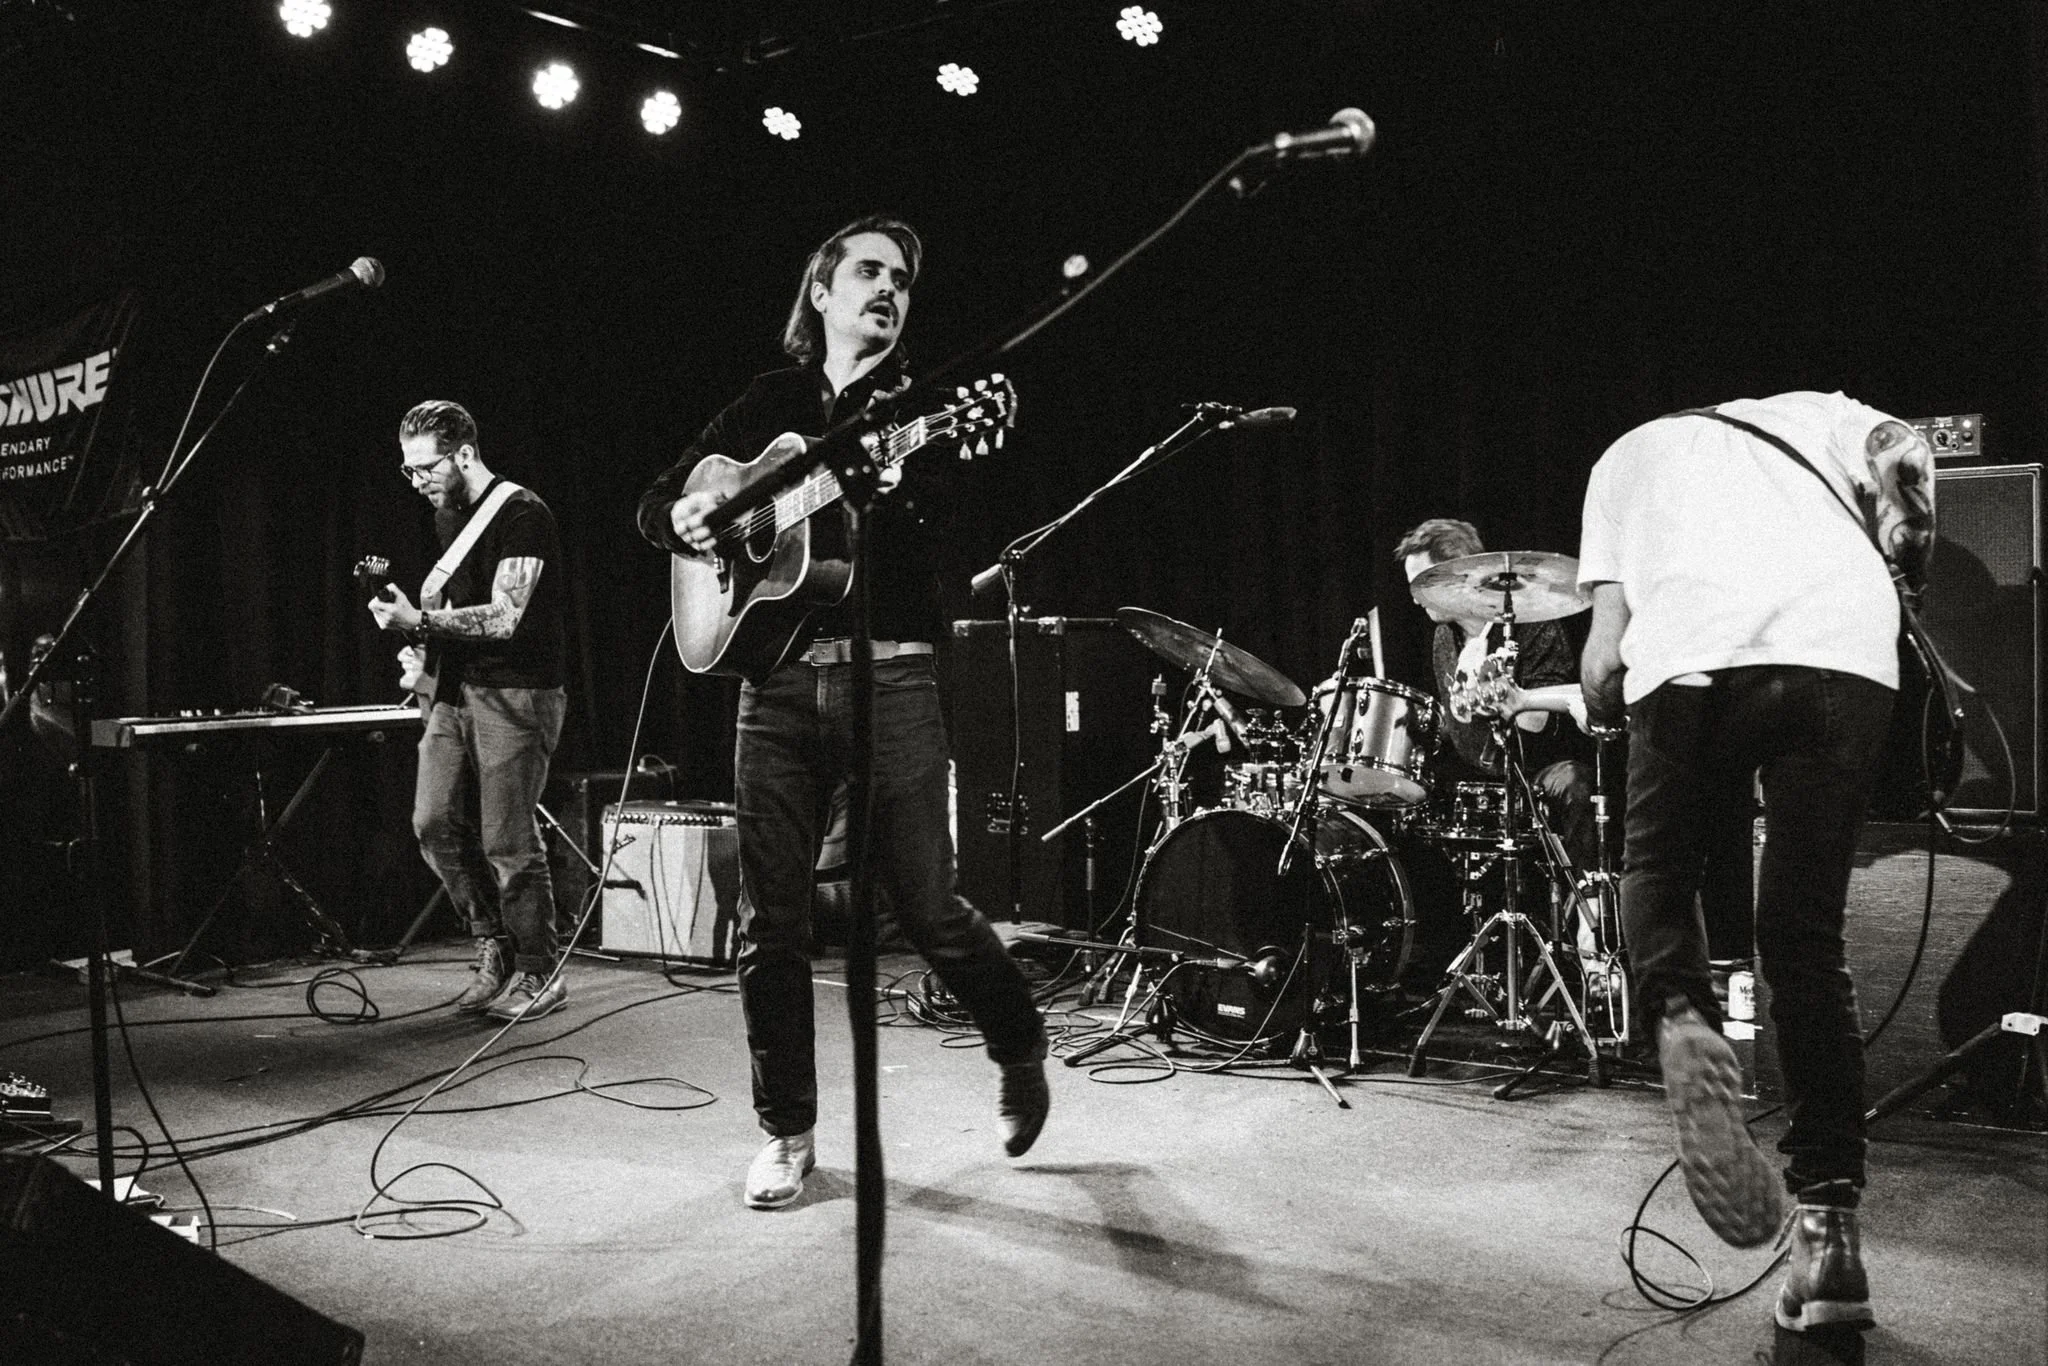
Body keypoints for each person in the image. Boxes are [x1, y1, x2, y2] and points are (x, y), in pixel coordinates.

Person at [636, 215, 1049, 1211]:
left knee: (929, 910)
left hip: (894, 676)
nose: (886, 288)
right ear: (819, 292)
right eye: (865, 270)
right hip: (773, 685)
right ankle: (786, 1132)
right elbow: (659, 505)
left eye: (900, 279)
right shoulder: (770, 403)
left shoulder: (926, 406)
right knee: (767, 924)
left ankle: (1018, 1041)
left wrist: (899, 487)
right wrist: (694, 515)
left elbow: (949, 532)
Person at [1578, 390, 1934, 1334]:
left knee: (1657, 864)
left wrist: (1613, 705)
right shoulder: (1827, 412)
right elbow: (1904, 451)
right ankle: (1830, 1245)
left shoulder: (1625, 453)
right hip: (1840, 651)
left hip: (1693, 654)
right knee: (1806, 940)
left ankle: (1680, 1015)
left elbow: (1604, 660)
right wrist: (1906, 521)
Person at [369, 400, 570, 1023]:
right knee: (431, 822)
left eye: (425, 468)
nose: (418, 481)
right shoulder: (446, 518)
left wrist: (420, 620)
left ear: (463, 454)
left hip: (518, 691)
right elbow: (457, 623)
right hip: (457, 692)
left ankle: (540, 969)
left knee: (507, 840)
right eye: (407, 472)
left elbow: (506, 617)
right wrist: (420, 653)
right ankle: (495, 943)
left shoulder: (522, 514)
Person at [1393, 519, 1597, 868]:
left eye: (1423, 582)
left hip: (1538, 770)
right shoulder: (1444, 637)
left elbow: (1536, 721)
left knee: (1573, 783)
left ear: (1462, 578)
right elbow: (1461, 722)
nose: (1415, 596)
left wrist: (1509, 700)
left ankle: (1586, 904)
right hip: (1474, 772)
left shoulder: (1534, 624)